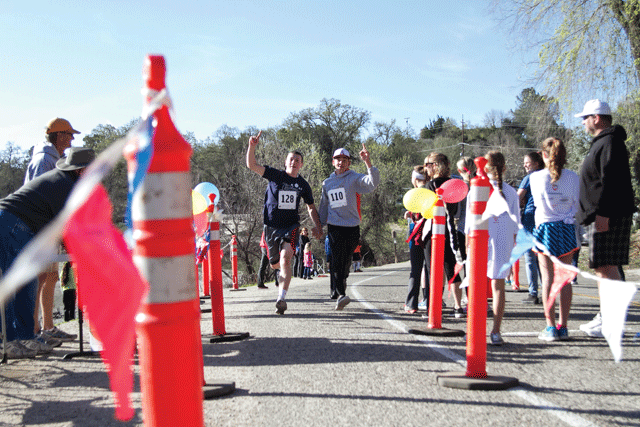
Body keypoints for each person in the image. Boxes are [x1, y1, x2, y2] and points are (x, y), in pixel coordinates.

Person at [0, 147, 95, 358]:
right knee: (16, 282)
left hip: (16, 225)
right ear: (81, 171)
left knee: (23, 282)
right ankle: (10, 341)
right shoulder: (66, 185)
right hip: (12, 224)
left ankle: (23, 337)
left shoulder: (63, 181)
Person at [574, 100, 636, 338]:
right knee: (603, 267)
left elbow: (611, 182)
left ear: (597, 118)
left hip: (606, 215)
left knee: (606, 267)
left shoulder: (609, 142)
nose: (583, 122)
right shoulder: (604, 142)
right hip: (601, 215)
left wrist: (603, 215)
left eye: (585, 117)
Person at [246, 131, 322, 315]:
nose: (294, 162)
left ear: (301, 164)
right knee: (275, 264)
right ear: (286, 162)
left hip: (291, 226)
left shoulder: (303, 185)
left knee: (286, 259)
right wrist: (252, 146)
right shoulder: (275, 175)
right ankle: (279, 276)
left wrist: (318, 226)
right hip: (271, 226)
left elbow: (311, 207)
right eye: (291, 159)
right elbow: (252, 165)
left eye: (297, 160)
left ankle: (281, 298)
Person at [24, 118, 80, 344]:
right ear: (58, 136)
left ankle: (48, 326)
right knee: (39, 278)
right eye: (69, 133)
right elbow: (38, 196)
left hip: (50, 227)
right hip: (39, 227)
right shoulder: (43, 160)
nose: (72, 138)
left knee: (50, 277)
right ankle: (34, 329)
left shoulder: (54, 159)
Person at [530, 137, 580, 341]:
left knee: (548, 278)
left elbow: (536, 204)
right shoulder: (573, 177)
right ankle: (564, 325)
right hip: (567, 227)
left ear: (544, 155)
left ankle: (550, 326)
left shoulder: (536, 177)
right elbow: (577, 203)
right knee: (565, 280)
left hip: (545, 227)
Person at [319, 145, 380, 310]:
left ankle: (342, 281)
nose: (341, 162)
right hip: (334, 226)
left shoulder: (354, 178)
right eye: (338, 159)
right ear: (333, 162)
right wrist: (319, 226)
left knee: (346, 261)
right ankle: (340, 294)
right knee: (337, 260)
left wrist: (368, 162)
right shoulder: (327, 183)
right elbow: (324, 206)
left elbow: (372, 183)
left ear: (349, 163)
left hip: (352, 227)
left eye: (344, 160)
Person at [480, 151, 520, 345]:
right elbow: (516, 227)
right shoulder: (512, 192)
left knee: (478, 288)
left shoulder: (478, 188)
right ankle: (495, 331)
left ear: (485, 167)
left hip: (482, 241)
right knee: (498, 288)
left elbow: (469, 222)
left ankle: (476, 330)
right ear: (504, 168)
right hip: (502, 244)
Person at [422, 153, 463, 318]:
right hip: (451, 228)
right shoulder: (454, 184)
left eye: (428, 164)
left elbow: (425, 209)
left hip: (434, 229)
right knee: (451, 268)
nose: (426, 168)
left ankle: (434, 306)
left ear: (436, 165)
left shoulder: (431, 184)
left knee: (434, 269)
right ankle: (458, 306)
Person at [517, 151, 544, 304]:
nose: (525, 165)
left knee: (530, 258)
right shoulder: (548, 175)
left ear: (536, 163)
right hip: (544, 218)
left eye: (527, 162)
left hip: (530, 218)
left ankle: (533, 293)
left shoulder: (529, 178)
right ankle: (546, 289)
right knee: (543, 257)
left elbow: (517, 197)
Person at [404, 165, 429, 314]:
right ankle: (430, 301)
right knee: (429, 269)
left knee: (415, 269)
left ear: (415, 179)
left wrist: (410, 215)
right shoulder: (432, 190)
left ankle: (411, 304)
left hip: (417, 233)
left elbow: (418, 214)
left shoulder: (415, 193)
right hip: (431, 232)